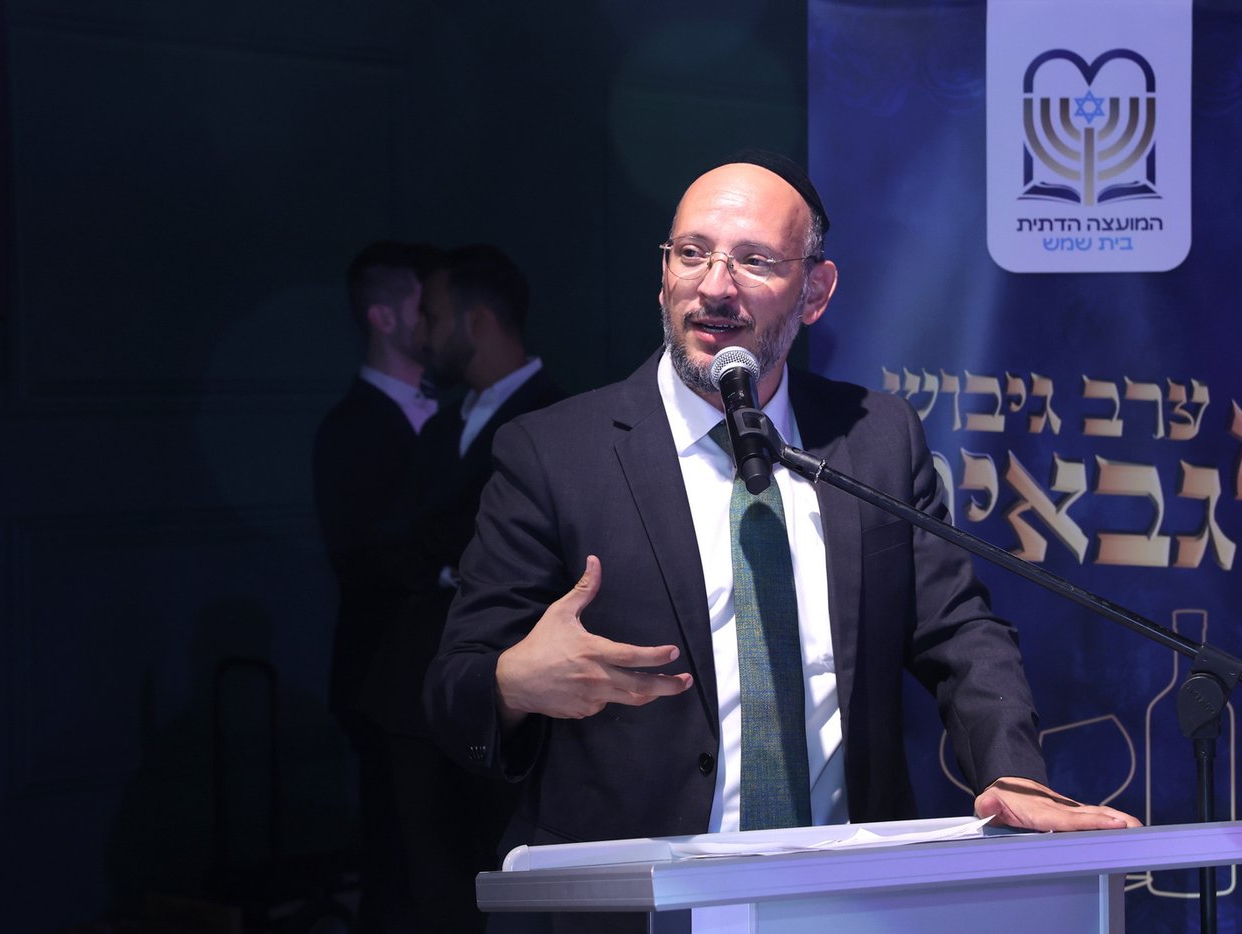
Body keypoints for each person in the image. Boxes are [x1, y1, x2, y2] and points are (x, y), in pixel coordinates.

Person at [424, 152, 1138, 929]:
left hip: (844, 901)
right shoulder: (555, 451)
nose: (715, 286)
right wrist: (512, 683)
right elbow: (453, 687)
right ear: (663, 276)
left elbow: (957, 628)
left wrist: (1012, 771)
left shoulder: (874, 439)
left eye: (754, 261)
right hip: (630, 906)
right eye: (692, 253)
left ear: (816, 291)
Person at [357, 244, 565, 933]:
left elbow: (458, 541)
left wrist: (439, 559)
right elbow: (389, 541)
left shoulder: (560, 419)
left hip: (517, 712)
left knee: (502, 891)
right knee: (424, 892)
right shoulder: (441, 423)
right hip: (412, 696)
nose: (422, 334)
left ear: (476, 321)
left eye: (434, 316)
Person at [313, 239, 438, 933]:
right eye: (425, 305)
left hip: (441, 682)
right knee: (397, 868)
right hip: (384, 677)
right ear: (384, 317)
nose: (438, 318)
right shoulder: (350, 429)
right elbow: (364, 561)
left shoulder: (452, 411)